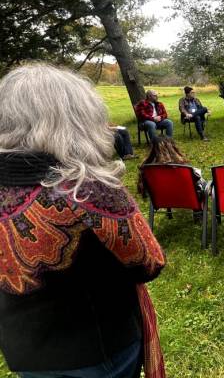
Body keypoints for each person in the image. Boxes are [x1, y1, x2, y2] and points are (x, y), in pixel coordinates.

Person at [0, 63, 166, 378]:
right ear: (77, 118)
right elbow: (149, 262)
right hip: (98, 349)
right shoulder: (85, 189)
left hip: (24, 350)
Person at [138, 136, 206, 199]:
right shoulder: (183, 168)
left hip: (162, 198)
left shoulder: (147, 169)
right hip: (185, 197)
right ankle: (199, 210)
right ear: (172, 148)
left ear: (151, 149)